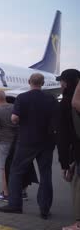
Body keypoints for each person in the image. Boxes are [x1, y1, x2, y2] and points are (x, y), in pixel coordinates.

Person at [0, 73, 57, 220]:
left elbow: (14, 118)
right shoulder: (51, 99)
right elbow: (57, 119)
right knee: (46, 174)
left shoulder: (22, 98)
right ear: (42, 83)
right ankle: (44, 209)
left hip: (26, 141)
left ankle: (15, 205)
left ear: (29, 82)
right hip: (47, 142)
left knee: (16, 171)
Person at [55, 69, 80, 230]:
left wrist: (65, 163)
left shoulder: (66, 104)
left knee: (77, 187)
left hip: (77, 152)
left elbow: (63, 137)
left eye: (61, 81)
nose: (60, 84)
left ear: (66, 82)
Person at [0, 91, 21, 201]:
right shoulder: (15, 107)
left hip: (5, 143)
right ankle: (23, 192)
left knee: (4, 168)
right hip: (18, 141)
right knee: (19, 167)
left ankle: (6, 193)